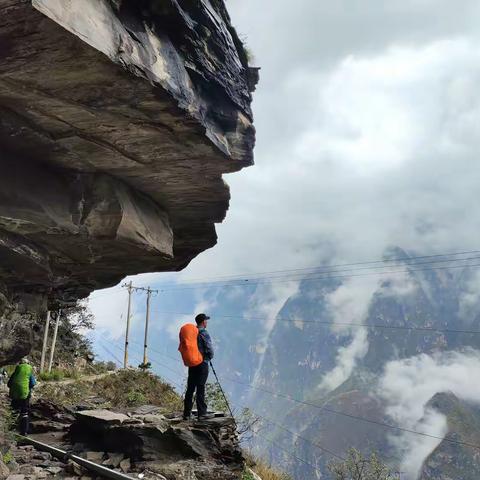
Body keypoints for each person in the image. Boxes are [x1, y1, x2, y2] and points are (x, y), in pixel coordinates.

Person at [183, 313, 215, 421]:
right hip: (202, 363)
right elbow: (209, 347)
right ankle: (202, 414)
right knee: (200, 387)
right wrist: (209, 357)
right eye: (206, 320)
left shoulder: (193, 333)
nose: (207, 322)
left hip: (192, 364)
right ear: (203, 322)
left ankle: (186, 414)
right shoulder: (203, 332)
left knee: (190, 388)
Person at [8, 358, 36, 435]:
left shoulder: (15, 373)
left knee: (14, 411)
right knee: (24, 413)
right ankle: (24, 431)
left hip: (15, 395)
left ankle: (10, 429)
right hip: (25, 395)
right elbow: (33, 383)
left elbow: (9, 384)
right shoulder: (29, 373)